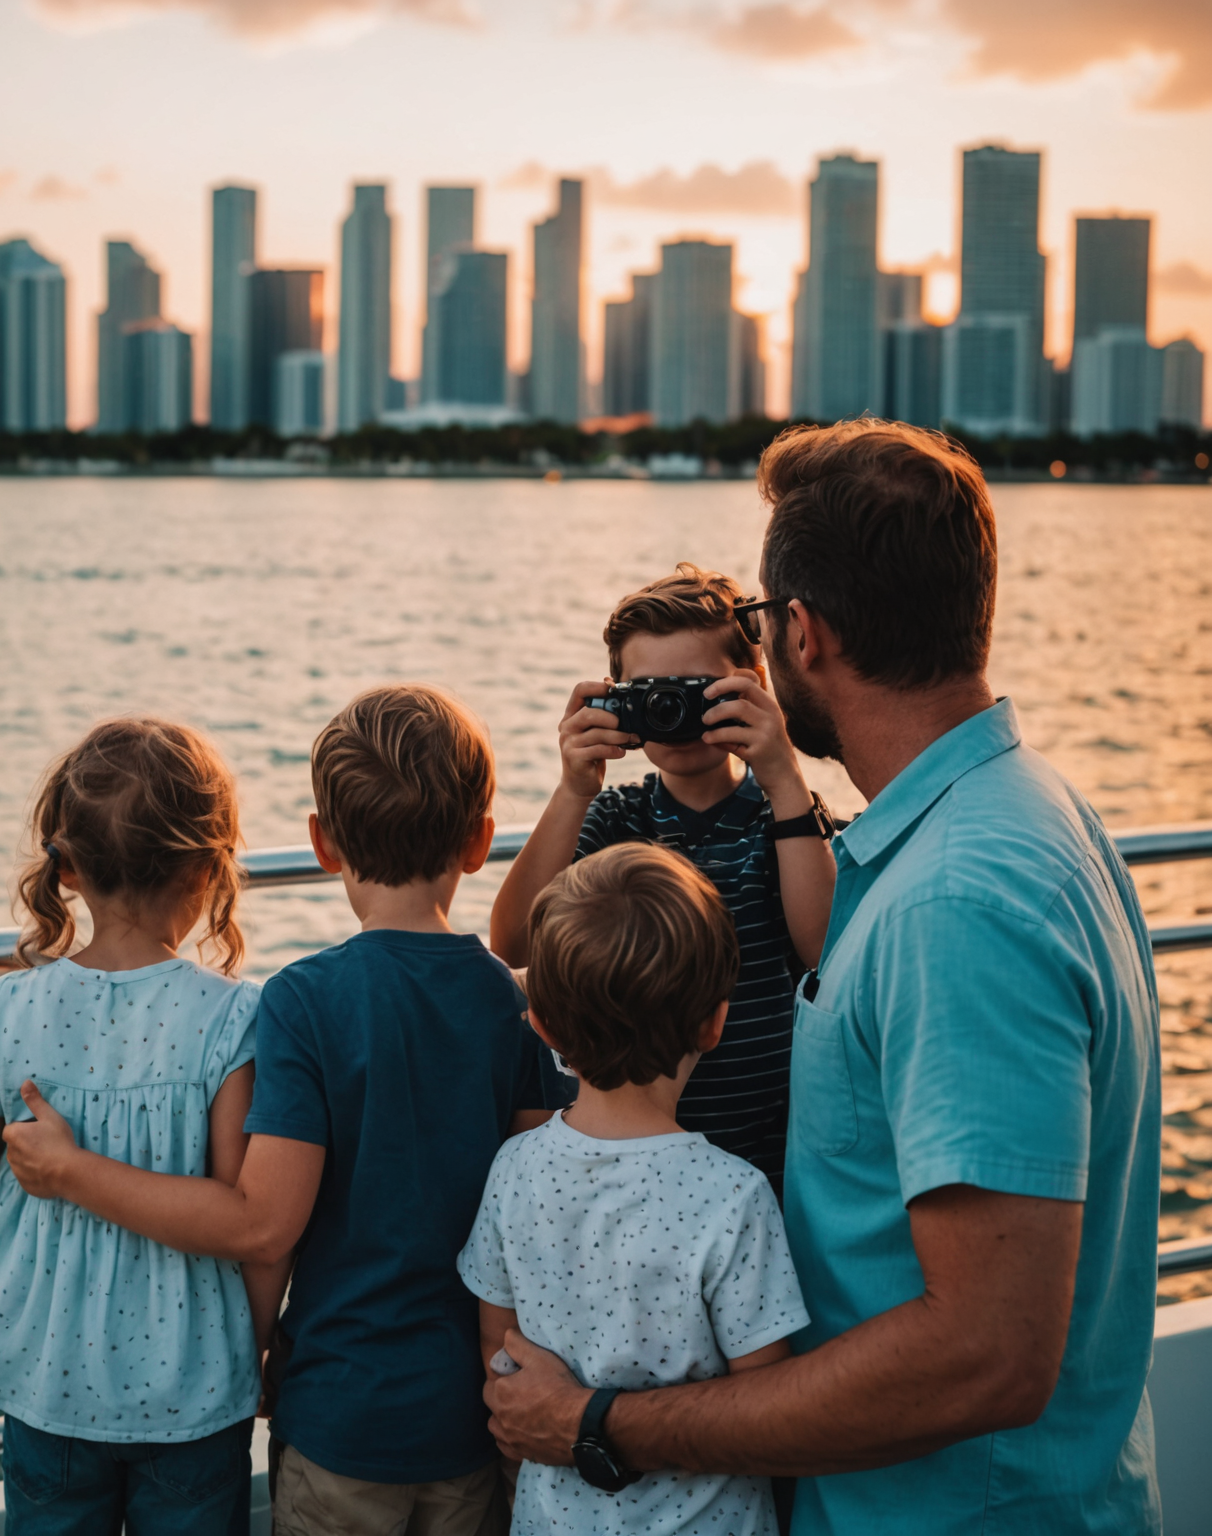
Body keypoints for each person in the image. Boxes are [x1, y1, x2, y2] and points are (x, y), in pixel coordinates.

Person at [483, 421, 1163, 1535]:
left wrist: (607, 1424)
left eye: (750, 625)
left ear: (799, 634)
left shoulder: (957, 903)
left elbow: (984, 1356)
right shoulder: (1033, 813)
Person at [2, 683, 561, 1536]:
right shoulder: (508, 1002)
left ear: (322, 844)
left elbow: (267, 1229)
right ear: (481, 842)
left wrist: (252, 1348)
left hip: (339, 1409)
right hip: (472, 1415)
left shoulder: (305, 1001)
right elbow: (531, 1211)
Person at [0, 717, 284, 1536]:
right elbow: (244, 1217)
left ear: (70, 868)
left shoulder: (7, 1009)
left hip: (46, 1381)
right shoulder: (232, 1019)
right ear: (206, 866)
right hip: (191, 1383)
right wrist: (254, 1348)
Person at [461, 842, 808, 1536]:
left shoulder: (514, 1169)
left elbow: (502, 1360)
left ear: (542, 1024)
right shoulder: (734, 1198)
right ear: (715, 1022)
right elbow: (766, 1407)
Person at [490, 564, 836, 1193]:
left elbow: (826, 950)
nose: (673, 710)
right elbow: (513, 946)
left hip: (770, 1160)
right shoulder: (612, 817)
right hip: (626, 1164)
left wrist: (784, 771)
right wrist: (573, 788)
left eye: (697, 689)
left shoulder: (785, 819)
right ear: (616, 699)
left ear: (752, 686)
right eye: (650, 692)